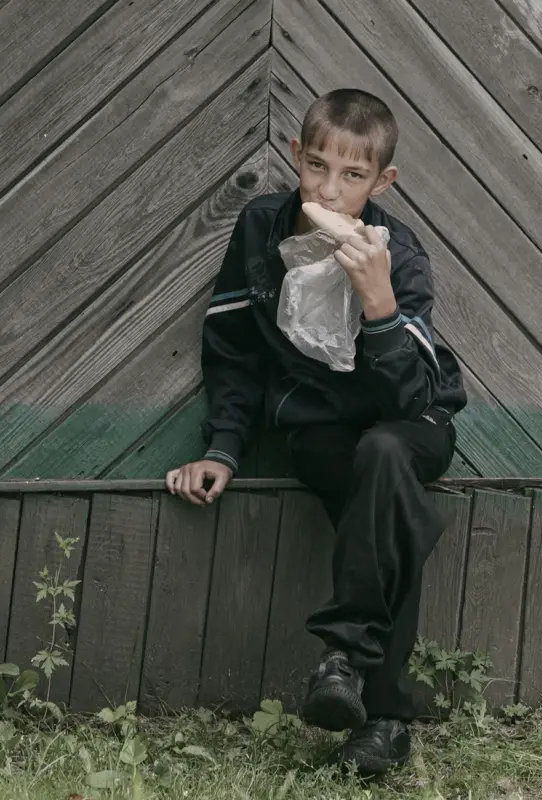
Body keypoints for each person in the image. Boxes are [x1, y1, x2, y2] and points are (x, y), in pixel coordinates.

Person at [165, 88, 467, 776]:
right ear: (297, 156)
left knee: (388, 452)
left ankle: (343, 657)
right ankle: (385, 724)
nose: (330, 191)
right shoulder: (261, 230)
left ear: (382, 181)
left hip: (412, 423)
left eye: (353, 176)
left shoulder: (402, 253)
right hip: (321, 429)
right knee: (390, 503)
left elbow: (412, 395)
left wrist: (380, 305)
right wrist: (224, 448)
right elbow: (234, 352)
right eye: (318, 167)